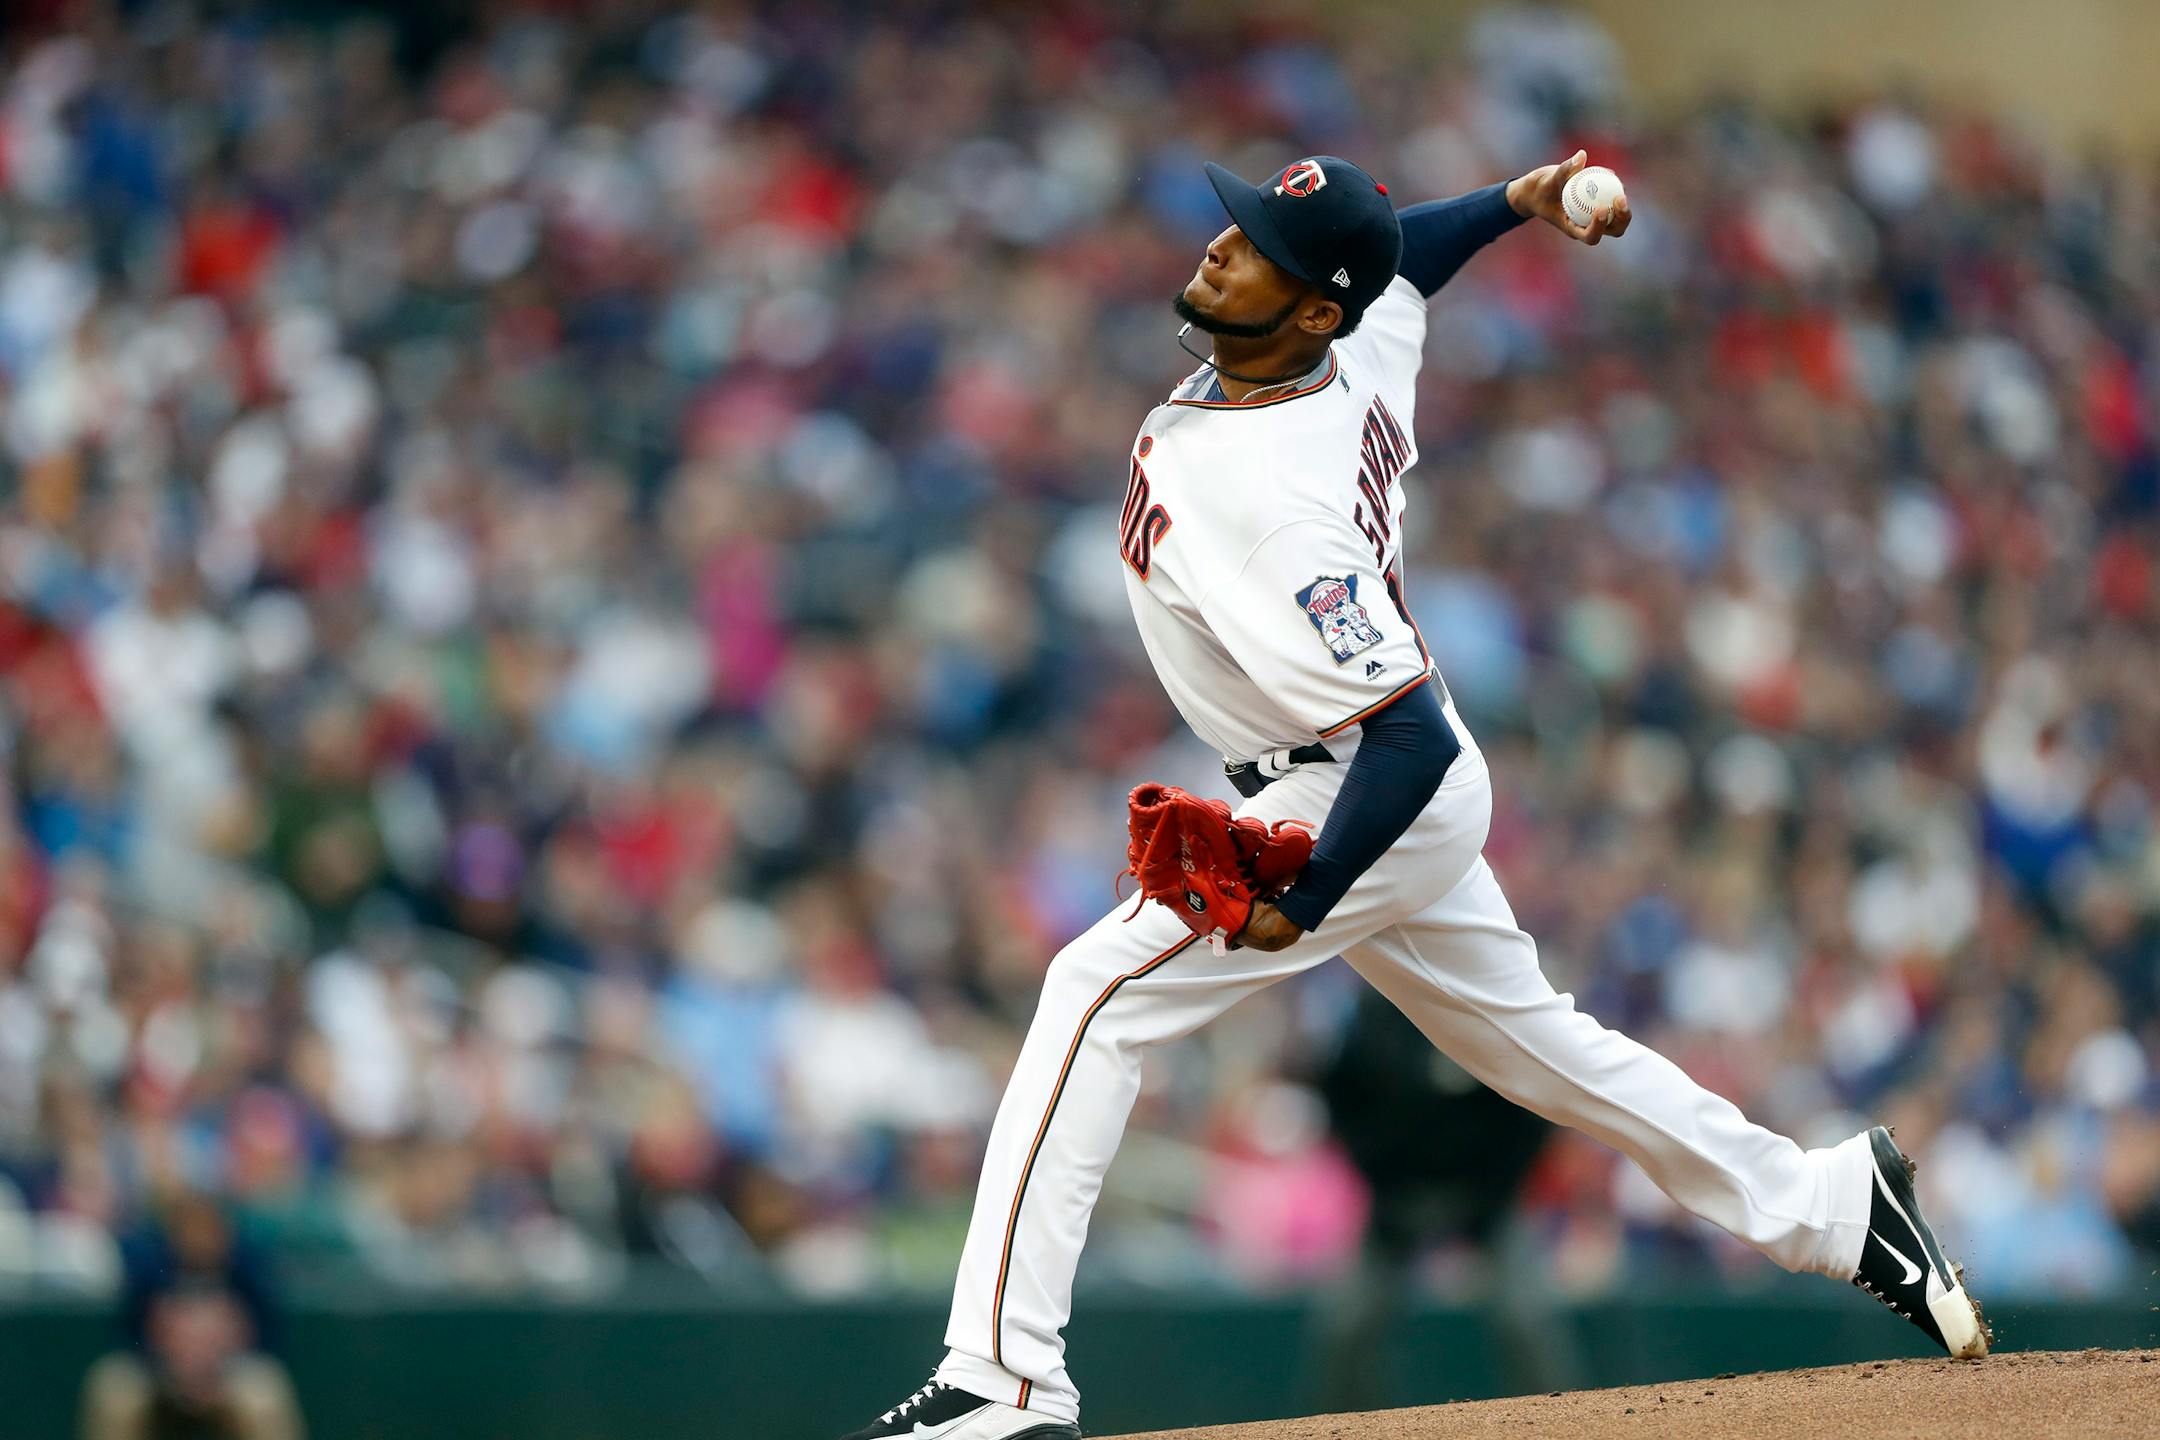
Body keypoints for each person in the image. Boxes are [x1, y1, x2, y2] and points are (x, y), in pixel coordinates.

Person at [838, 152, 1986, 1440]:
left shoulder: (1274, 507)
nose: (1223, 247)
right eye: (1240, 225)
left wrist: (1306, 894)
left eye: (1259, 249)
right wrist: (1513, 203)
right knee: (1544, 1050)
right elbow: (1402, 259)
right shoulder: (1349, 337)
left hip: (1355, 791)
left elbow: (1412, 739)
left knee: (1094, 995)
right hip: (1354, 779)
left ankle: (1003, 1381)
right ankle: (1829, 1205)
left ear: (1312, 310)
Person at [80, 1190, 304, 1440]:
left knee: (264, 1394)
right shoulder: (149, 1266)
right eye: (190, 1225)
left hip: (228, 1372)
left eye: (208, 1226)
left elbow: (271, 1337)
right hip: (160, 1373)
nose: (200, 1237)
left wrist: (219, 1364)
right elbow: (127, 1334)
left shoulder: (246, 1267)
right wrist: (171, 1363)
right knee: (114, 1387)